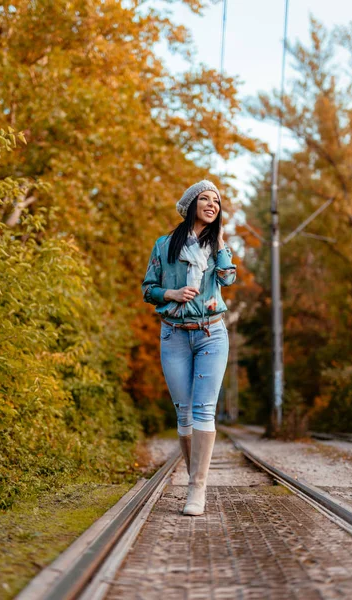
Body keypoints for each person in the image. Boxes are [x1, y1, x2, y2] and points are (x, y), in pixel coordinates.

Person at [141, 180, 237, 516]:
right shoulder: (165, 246)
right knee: (183, 412)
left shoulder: (217, 248)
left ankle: (197, 488)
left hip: (212, 334)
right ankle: (193, 475)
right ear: (191, 204)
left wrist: (221, 241)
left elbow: (227, 279)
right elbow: (148, 289)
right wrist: (172, 293)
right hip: (174, 336)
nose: (212, 205)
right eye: (206, 199)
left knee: (203, 409)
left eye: (217, 202)